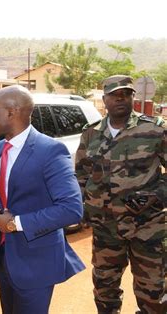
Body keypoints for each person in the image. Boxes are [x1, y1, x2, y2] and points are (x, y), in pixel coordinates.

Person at [0, 85, 85, 314]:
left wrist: (14, 223)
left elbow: (71, 208)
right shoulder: (0, 148)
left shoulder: (51, 151)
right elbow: (2, 186)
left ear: (11, 112)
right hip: (5, 257)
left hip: (36, 262)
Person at [75, 75, 166, 314]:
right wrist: (84, 207)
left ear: (133, 97)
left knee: (153, 292)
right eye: (114, 95)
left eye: (126, 94)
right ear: (104, 98)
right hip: (106, 228)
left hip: (147, 226)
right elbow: (81, 175)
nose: (120, 99)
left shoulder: (155, 129)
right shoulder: (91, 134)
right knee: (104, 289)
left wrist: (156, 195)